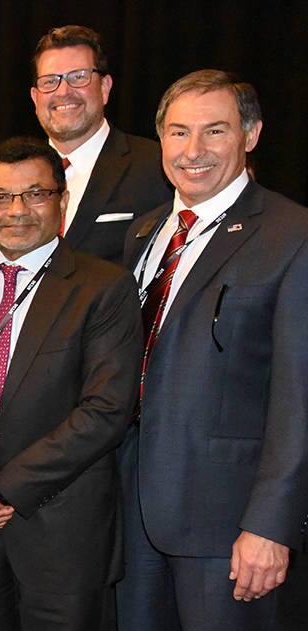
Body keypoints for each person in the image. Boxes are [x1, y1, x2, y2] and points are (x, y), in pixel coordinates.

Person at [0, 137, 143, 630]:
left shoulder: (103, 286)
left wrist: (8, 487)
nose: (17, 210)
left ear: (61, 200)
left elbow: (105, 411)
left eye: (35, 194)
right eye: (1, 197)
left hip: (63, 531)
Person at [118, 70, 308, 631]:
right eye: (178, 133)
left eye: (215, 131)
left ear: (251, 135)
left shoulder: (292, 235)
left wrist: (271, 525)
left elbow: (300, 399)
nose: (193, 151)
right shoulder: (147, 232)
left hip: (228, 528)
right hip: (133, 512)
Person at [30, 25, 170, 266]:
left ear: (105, 88)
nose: (63, 92)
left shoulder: (157, 166)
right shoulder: (13, 175)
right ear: (35, 97)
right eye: (50, 81)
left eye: (78, 77)